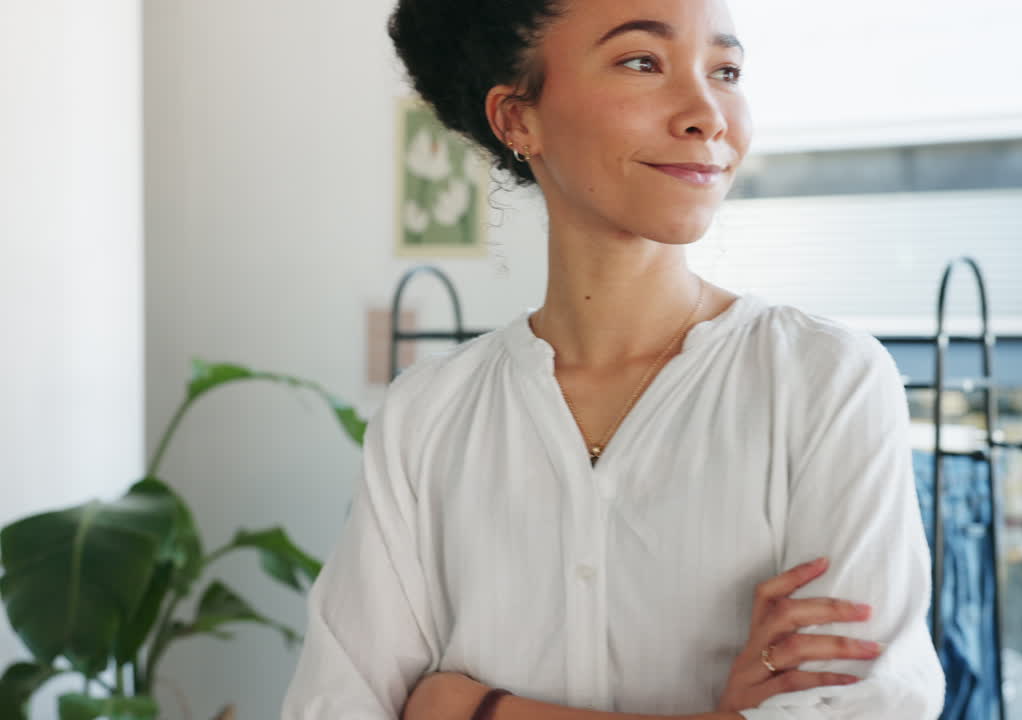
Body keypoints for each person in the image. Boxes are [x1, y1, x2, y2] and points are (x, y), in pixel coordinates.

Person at [280, 0, 945, 718]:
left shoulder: (825, 381)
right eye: (641, 61)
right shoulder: (426, 418)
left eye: (726, 70)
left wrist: (469, 708)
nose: (707, 114)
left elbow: (867, 705)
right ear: (517, 119)